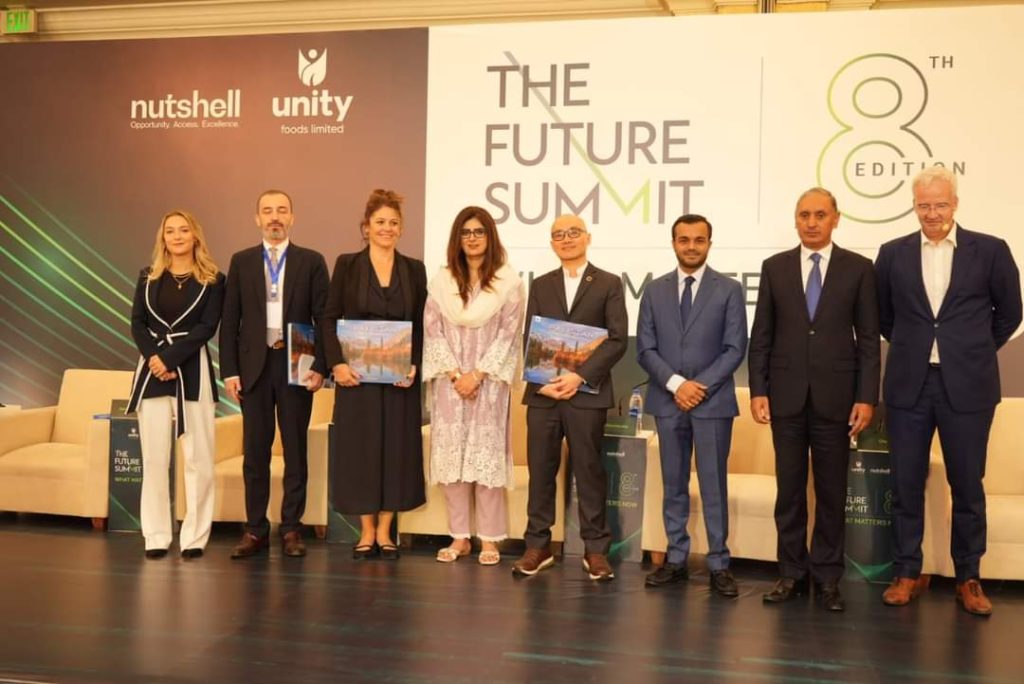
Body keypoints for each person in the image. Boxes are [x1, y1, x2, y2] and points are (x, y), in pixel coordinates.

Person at [876, 168, 1022, 616]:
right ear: (914, 206)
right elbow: (884, 317)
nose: (932, 213)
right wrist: (917, 348)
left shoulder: (990, 250)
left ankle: (968, 577)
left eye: (940, 204)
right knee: (905, 483)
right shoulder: (893, 253)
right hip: (909, 385)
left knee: (968, 484)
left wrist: (971, 348)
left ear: (955, 204)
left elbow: (1010, 312)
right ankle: (906, 571)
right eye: (924, 205)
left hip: (968, 385)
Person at [748, 187, 880, 612]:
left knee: (830, 493)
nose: (811, 222)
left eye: (820, 214)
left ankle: (826, 578)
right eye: (804, 214)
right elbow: (761, 335)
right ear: (795, 219)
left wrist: (866, 397)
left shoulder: (859, 268)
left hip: (837, 400)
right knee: (789, 492)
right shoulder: (775, 267)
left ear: (836, 219)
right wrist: (758, 389)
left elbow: (869, 340)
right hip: (785, 398)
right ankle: (791, 573)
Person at [636, 214, 747, 596]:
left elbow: (735, 348)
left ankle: (719, 564)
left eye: (699, 240)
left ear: (709, 244)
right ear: (674, 243)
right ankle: (676, 558)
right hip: (668, 401)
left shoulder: (729, 289)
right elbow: (645, 348)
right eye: (684, 240)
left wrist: (697, 387)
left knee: (714, 484)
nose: (691, 246)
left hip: (712, 403)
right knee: (674, 484)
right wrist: (676, 385)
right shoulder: (654, 290)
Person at [512, 214, 628, 581]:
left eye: (573, 232)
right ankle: (538, 545)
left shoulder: (608, 283)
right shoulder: (541, 284)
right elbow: (530, 337)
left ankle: (595, 550)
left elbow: (617, 339)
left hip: (586, 393)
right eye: (558, 235)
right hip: (544, 394)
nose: (566, 239)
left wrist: (580, 376)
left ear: (587, 237)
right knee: (540, 471)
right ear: (552, 243)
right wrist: (540, 380)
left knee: (589, 472)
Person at [220, 189, 329, 559]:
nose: (275, 217)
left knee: (295, 451)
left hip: (297, 363)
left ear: (292, 217)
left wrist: (321, 366)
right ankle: (255, 530)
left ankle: (292, 529)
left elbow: (324, 318)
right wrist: (229, 371)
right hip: (254, 367)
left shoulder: (311, 261)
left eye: (282, 210)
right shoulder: (241, 261)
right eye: (267, 211)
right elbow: (229, 320)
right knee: (255, 452)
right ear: (258, 219)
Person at [321, 189, 427, 560]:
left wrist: (415, 364)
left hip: (399, 380)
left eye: (394, 223)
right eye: (380, 222)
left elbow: (422, 324)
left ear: (402, 228)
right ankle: (366, 531)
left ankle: (386, 531)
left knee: (396, 451)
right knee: (361, 450)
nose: (387, 228)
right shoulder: (347, 264)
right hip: (356, 378)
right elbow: (328, 317)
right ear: (366, 227)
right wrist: (336, 364)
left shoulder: (414, 269)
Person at [422, 206, 524, 566]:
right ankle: (460, 537)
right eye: (466, 232)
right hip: (449, 383)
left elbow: (510, 335)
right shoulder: (442, 281)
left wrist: (477, 375)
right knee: (452, 459)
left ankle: (490, 539)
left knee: (486, 459)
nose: (472, 238)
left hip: (489, 383)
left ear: (490, 236)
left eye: (479, 231)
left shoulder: (508, 282)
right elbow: (432, 329)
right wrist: (455, 375)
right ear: (457, 238)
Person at [127, 210, 224, 559]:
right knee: (154, 459)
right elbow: (137, 323)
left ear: (195, 236)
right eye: (170, 231)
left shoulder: (214, 279)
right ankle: (155, 535)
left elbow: (207, 327)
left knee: (199, 458)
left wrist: (170, 359)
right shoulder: (148, 276)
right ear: (163, 238)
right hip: (151, 371)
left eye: (184, 230)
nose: (178, 236)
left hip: (192, 370)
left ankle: (194, 537)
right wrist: (155, 359)